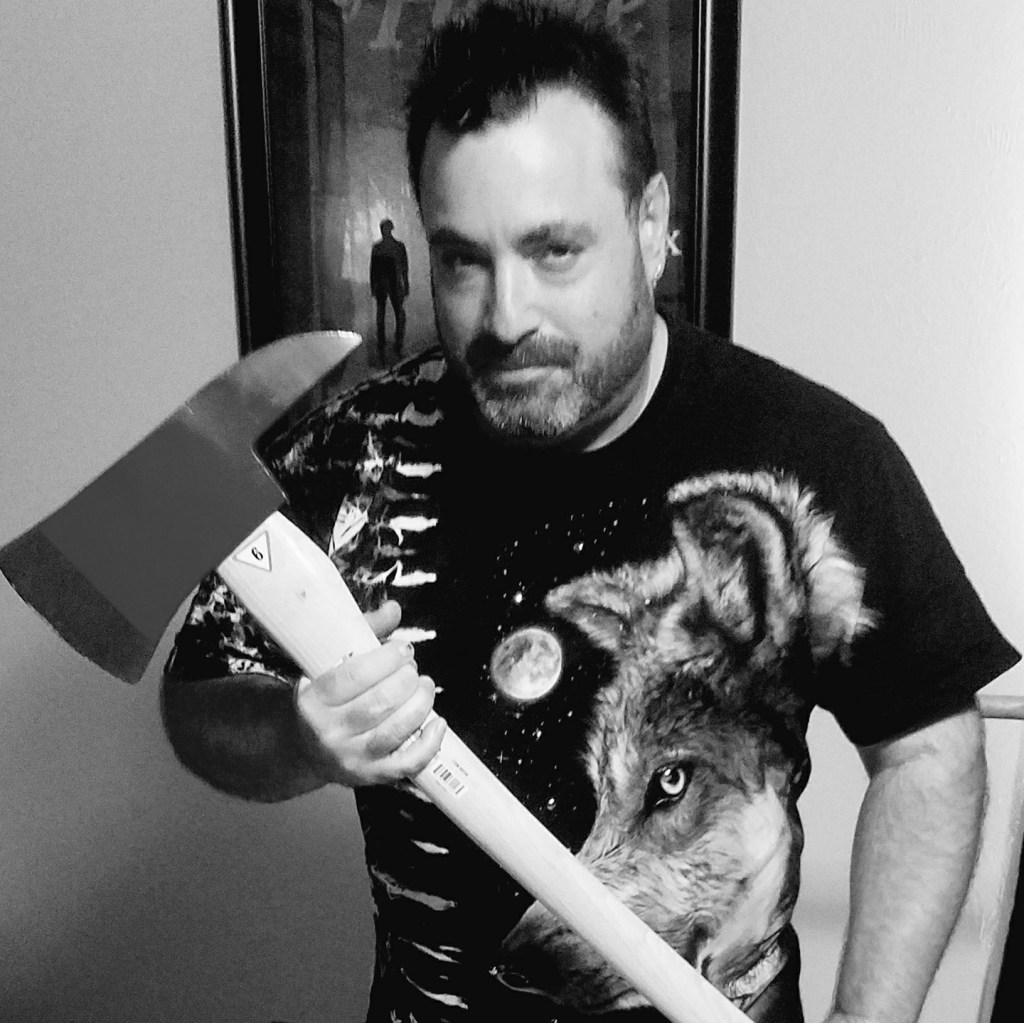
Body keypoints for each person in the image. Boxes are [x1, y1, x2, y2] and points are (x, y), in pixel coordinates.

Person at [161, 4, 1019, 1022]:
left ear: (651, 225)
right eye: (463, 259)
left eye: (554, 250)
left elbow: (927, 751)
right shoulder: (356, 450)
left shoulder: (811, 462)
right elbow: (199, 700)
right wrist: (300, 738)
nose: (506, 314)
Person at [370, 217, 410, 361]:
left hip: (389, 284)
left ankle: (392, 346)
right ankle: (390, 346)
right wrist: (405, 283)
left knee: (393, 315)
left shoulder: (384, 247)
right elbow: (373, 269)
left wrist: (405, 283)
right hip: (388, 284)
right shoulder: (395, 246)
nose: (384, 231)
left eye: (385, 229)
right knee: (392, 315)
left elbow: (404, 267)